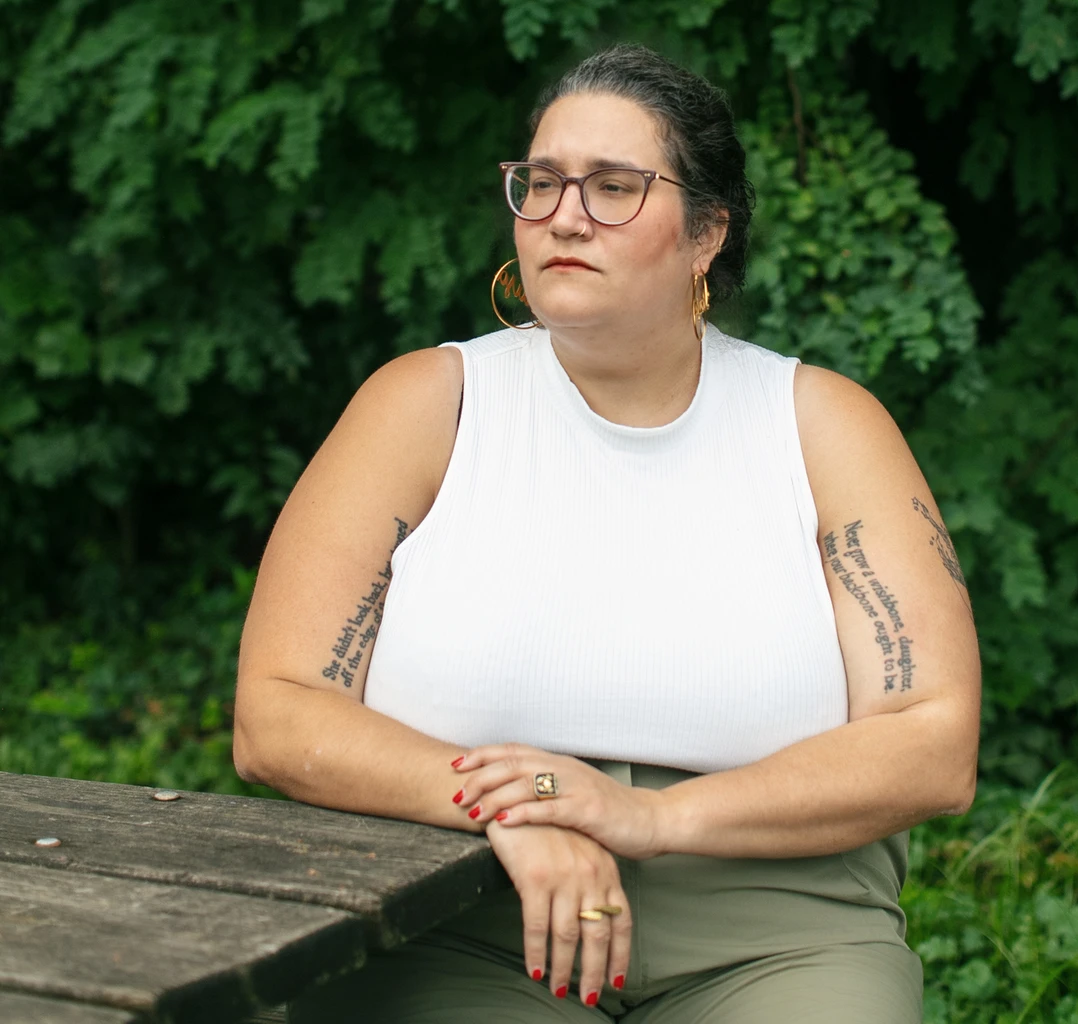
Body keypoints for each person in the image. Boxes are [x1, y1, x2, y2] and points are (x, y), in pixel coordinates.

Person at [233, 43, 980, 1024]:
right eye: (539, 183)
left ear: (706, 232)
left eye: (613, 186)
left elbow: (931, 743)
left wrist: (652, 816)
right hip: (457, 914)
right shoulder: (425, 406)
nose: (563, 215)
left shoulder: (820, 425)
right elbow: (276, 715)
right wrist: (514, 802)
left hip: (775, 932)